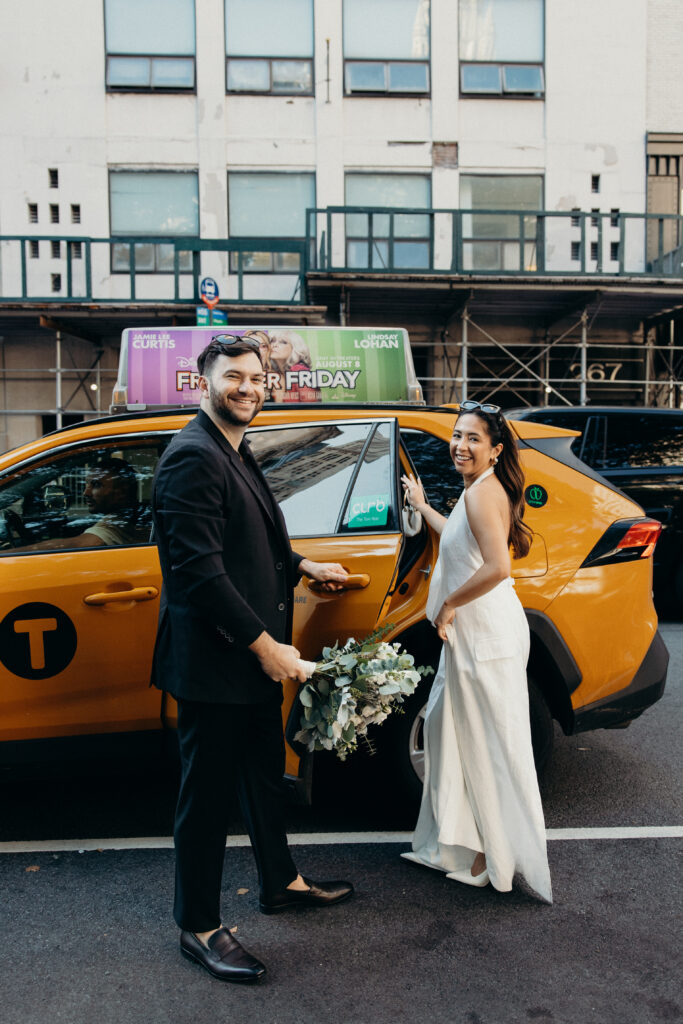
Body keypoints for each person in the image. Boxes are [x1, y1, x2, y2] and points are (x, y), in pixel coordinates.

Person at [150, 335, 354, 984]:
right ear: (202, 383)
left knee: (264, 778)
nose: (247, 388)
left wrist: (303, 564)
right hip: (218, 665)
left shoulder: (232, 447)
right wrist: (266, 648)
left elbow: (248, 539)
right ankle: (198, 926)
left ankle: (280, 883)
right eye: (233, 377)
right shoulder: (192, 455)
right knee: (206, 801)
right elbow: (198, 573)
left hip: (252, 660)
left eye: (257, 378)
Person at [400, 399, 552, 903]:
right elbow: (459, 539)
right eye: (458, 435)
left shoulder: (485, 493)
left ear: (495, 450)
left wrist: (448, 605)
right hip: (473, 633)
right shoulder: (477, 489)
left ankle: (492, 857)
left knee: (487, 743)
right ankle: (459, 843)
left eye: (473, 438)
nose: (460, 445)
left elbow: (497, 568)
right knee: (448, 732)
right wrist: (423, 507)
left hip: (485, 633)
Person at [8, 456, 148, 550]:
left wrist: (8, 554)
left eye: (96, 485)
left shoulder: (121, 521)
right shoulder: (135, 513)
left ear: (121, 491)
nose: (85, 493)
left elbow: (82, 544)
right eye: (87, 484)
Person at [268, 329, 321, 403]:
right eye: (272, 341)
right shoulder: (276, 374)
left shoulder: (299, 370)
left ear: (295, 349)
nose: (274, 345)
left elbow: (310, 405)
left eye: (283, 342)